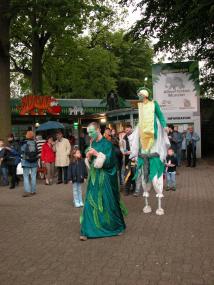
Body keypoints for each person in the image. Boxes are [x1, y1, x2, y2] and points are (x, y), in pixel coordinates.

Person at [80, 122, 127, 241]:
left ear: (98, 130)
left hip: (105, 179)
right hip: (94, 179)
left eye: (92, 132)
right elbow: (90, 163)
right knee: (90, 203)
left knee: (108, 202)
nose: (90, 134)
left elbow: (111, 163)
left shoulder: (107, 144)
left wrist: (96, 154)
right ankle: (87, 230)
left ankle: (115, 227)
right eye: (88, 132)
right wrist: (89, 157)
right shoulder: (92, 143)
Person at [129, 87, 170, 215]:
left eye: (140, 95)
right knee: (144, 175)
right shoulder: (140, 106)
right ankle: (146, 204)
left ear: (145, 95)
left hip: (153, 136)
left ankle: (159, 205)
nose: (138, 97)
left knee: (154, 172)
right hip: (143, 138)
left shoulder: (154, 104)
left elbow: (160, 115)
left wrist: (164, 126)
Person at [21, 131, 38, 197]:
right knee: (33, 176)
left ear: (27, 136)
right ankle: (33, 191)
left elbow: (22, 151)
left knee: (26, 176)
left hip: (26, 162)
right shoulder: (35, 143)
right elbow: (38, 151)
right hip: (34, 161)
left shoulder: (24, 143)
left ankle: (27, 191)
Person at [121, 124, 135, 195]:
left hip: (134, 159)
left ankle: (134, 189)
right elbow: (122, 148)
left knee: (134, 174)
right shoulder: (124, 138)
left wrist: (132, 152)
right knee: (127, 174)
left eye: (128, 129)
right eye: (126, 130)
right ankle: (127, 190)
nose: (126, 131)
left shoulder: (135, 136)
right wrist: (124, 151)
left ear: (131, 129)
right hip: (127, 159)